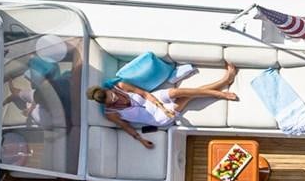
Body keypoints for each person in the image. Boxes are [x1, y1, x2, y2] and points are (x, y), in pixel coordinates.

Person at [85, 60, 241, 148]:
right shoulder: (111, 113)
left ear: (107, 90)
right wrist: (141, 140)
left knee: (180, 92)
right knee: (189, 97)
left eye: (112, 96)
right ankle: (223, 85)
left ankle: (222, 88)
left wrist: (160, 105)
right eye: (110, 101)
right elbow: (126, 127)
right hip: (158, 118)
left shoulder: (120, 86)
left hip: (154, 99)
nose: (114, 99)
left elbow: (144, 94)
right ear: (105, 103)